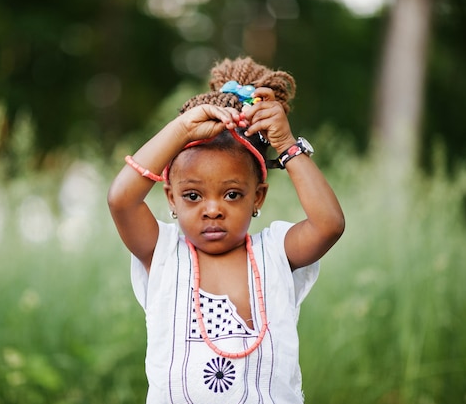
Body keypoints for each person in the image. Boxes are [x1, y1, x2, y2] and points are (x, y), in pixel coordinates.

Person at [107, 57, 345, 403]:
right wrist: (181, 131)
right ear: (171, 198)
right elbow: (121, 200)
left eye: (232, 194)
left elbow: (329, 225)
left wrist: (286, 145)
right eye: (192, 196)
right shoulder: (163, 253)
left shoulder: (276, 253)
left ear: (257, 197)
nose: (214, 209)